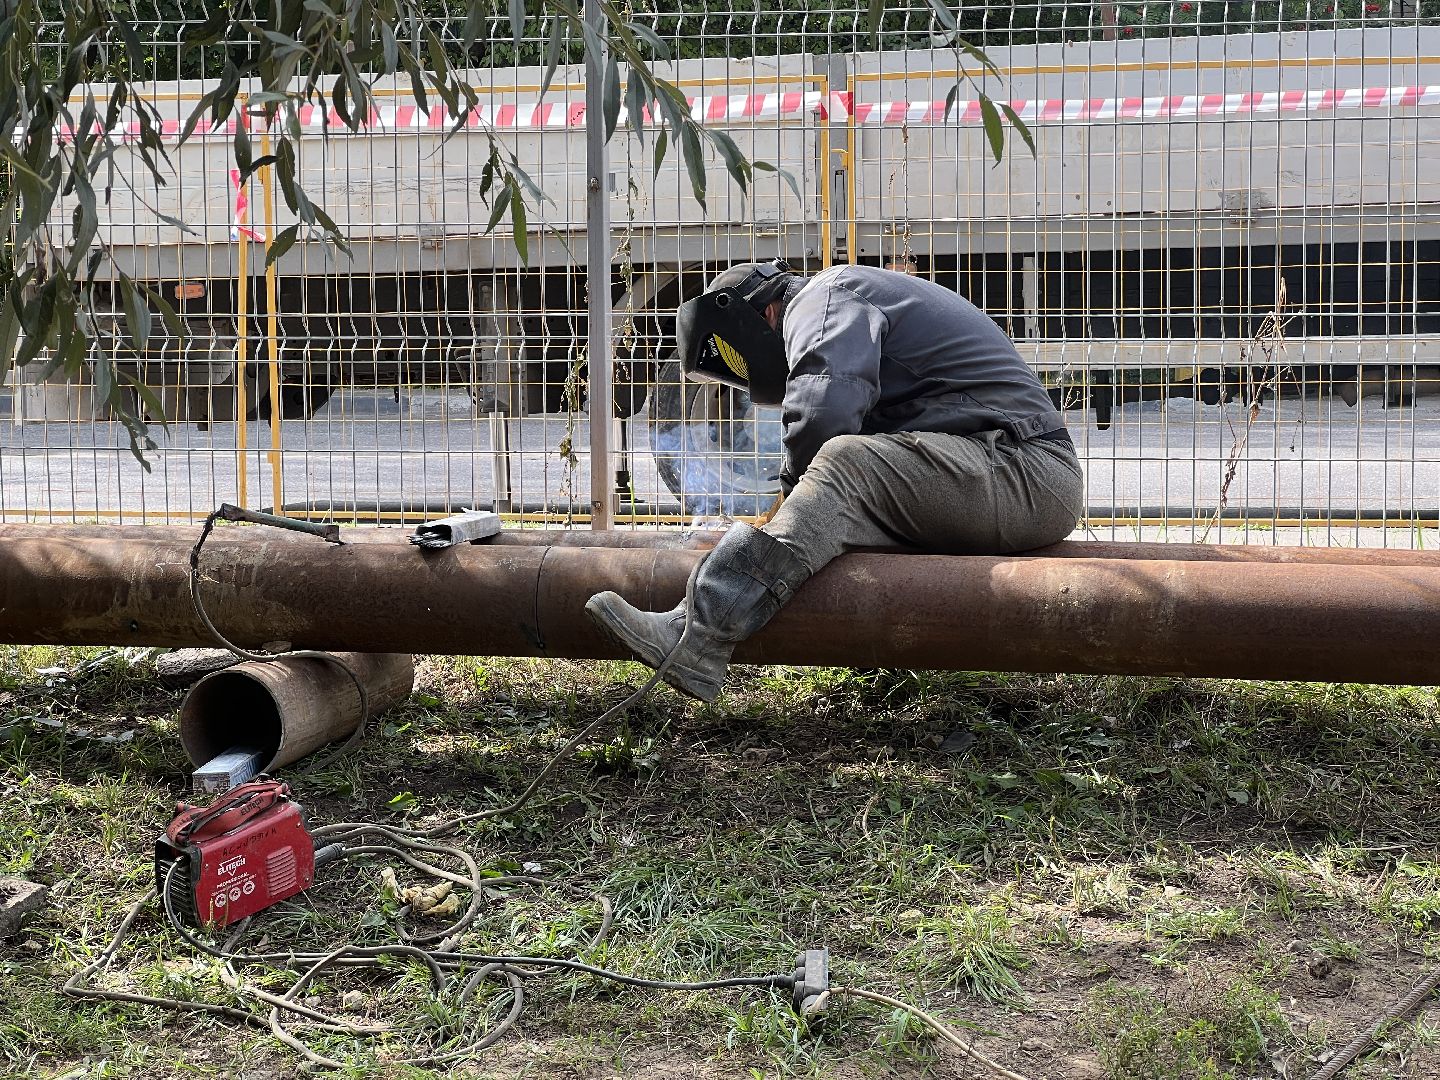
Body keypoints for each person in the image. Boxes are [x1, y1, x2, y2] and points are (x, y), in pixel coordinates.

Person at [585, 259, 1084, 702]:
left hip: (1026, 473)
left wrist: (779, 515)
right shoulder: (846, 299)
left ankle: (698, 635)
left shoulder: (824, 297)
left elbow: (824, 413)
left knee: (844, 461)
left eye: (735, 359)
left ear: (765, 316)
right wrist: (775, 529)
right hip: (997, 476)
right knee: (844, 484)